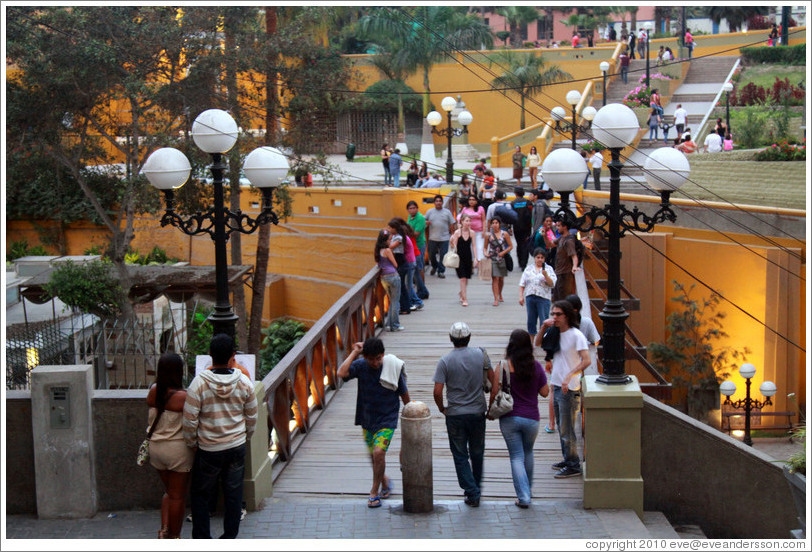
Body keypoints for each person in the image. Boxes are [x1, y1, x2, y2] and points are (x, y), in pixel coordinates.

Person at [184, 333, 257, 539]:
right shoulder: (243, 382)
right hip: (236, 446)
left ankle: (202, 538)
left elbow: (189, 420)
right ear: (233, 355)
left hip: (208, 448)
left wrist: (193, 442)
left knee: (200, 495)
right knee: (233, 495)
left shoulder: (199, 383)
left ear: (210, 355)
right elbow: (252, 416)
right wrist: (245, 437)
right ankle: (229, 537)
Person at [338, 337, 410, 508]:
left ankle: (373, 492)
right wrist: (355, 352)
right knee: (373, 456)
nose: (375, 363)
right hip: (367, 418)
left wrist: (411, 413)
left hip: (387, 418)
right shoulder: (361, 366)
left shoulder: (392, 366)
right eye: (371, 359)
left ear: (383, 355)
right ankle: (384, 481)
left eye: (378, 358)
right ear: (365, 358)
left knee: (378, 453)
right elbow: (341, 373)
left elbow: (403, 392)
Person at [433, 322, 493, 507]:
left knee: (460, 455)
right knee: (477, 452)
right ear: (469, 337)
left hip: (456, 414)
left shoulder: (445, 361)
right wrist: (491, 405)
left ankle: (472, 491)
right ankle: (475, 489)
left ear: (451, 339)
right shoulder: (480, 354)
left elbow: (437, 391)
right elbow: (494, 379)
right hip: (477, 412)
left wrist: (442, 408)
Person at [488, 329, 549, 508]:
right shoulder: (536, 366)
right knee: (528, 453)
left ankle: (523, 497)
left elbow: (493, 392)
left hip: (509, 417)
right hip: (532, 418)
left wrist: (490, 412)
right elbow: (545, 393)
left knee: (516, 456)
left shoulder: (504, 366)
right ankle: (527, 491)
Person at [146, 353, 194, 539]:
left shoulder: (153, 391)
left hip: (156, 448)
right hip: (177, 451)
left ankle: (164, 530)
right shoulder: (183, 397)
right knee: (177, 496)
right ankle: (174, 536)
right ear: (179, 371)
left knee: (169, 492)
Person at [547, 300, 590, 479]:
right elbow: (540, 343)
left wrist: (570, 374)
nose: (554, 317)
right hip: (557, 385)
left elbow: (586, 360)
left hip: (569, 388)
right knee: (561, 426)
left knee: (567, 428)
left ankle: (573, 464)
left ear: (567, 316)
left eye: (558, 314)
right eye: (553, 314)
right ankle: (567, 458)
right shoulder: (555, 332)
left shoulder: (576, 335)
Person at [518, 248, 556, 341]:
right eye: (537, 257)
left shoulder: (549, 269)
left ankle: (544, 340)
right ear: (534, 258)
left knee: (544, 320)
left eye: (542, 257)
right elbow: (522, 283)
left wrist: (546, 275)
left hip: (543, 298)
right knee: (531, 320)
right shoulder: (529, 268)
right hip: (530, 296)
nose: (539, 259)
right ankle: (531, 340)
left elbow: (552, 284)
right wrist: (521, 296)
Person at [564, 294, 601, 376]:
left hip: (579, 362)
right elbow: (596, 341)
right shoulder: (561, 322)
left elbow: (596, 342)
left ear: (575, 310)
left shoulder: (586, 322)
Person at [375, 229, 402, 331]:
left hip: (383, 278)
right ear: (385, 240)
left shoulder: (378, 251)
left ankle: (389, 324)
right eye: (389, 240)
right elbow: (395, 264)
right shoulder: (387, 250)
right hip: (393, 276)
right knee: (395, 301)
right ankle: (395, 325)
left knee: (391, 301)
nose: (390, 241)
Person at [483, 217, 513, 307]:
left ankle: (500, 293)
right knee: (495, 278)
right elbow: (485, 247)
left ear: (499, 224)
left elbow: (510, 246)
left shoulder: (505, 234)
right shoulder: (488, 235)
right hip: (492, 258)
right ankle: (496, 298)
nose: (495, 224)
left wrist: (503, 252)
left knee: (501, 278)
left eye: (496, 223)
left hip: (502, 258)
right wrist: (485, 253)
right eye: (493, 223)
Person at [425, 194, 456, 279]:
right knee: (431, 255)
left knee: (443, 255)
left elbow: (452, 223)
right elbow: (424, 221)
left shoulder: (447, 212)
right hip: (432, 238)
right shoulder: (429, 212)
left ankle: (441, 271)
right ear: (434, 203)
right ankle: (435, 266)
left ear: (442, 202)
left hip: (444, 238)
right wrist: (426, 223)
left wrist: (453, 235)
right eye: (436, 201)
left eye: (440, 201)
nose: (438, 203)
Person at [450, 214, 476, 307]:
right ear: (461, 221)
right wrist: (452, 241)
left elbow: (474, 245)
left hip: (468, 257)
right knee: (463, 278)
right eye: (466, 221)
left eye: (469, 221)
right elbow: (454, 246)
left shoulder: (472, 233)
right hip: (459, 257)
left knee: (467, 277)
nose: (468, 223)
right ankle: (465, 299)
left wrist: (476, 258)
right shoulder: (457, 233)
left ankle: (462, 292)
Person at [407, 201, 430, 301]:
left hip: (419, 245)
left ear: (417, 208)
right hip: (412, 246)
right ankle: (421, 289)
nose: (412, 210)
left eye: (414, 208)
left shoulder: (420, 218)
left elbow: (416, 233)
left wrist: (406, 233)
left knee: (419, 268)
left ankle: (422, 289)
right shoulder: (410, 217)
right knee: (415, 269)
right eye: (410, 208)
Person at [552, 218, 580, 301]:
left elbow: (573, 255)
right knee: (557, 297)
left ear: (565, 227)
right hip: (559, 272)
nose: (557, 228)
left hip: (565, 274)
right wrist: (545, 236)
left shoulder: (569, 241)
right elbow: (550, 244)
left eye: (559, 226)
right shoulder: (561, 238)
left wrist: (574, 266)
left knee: (563, 299)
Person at [458, 195, 486, 272]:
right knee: (470, 248)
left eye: (473, 199)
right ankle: (471, 266)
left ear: (476, 201)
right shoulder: (465, 209)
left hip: (479, 231)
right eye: (470, 199)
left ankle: (480, 265)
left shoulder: (481, 208)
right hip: (468, 232)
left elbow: (484, 220)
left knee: (479, 248)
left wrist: (484, 230)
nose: (471, 201)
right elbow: (461, 220)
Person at [511, 186, 533, 271]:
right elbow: (531, 214)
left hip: (517, 227)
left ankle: (520, 262)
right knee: (525, 244)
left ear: (515, 193)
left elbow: (511, 216)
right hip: (527, 227)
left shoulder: (513, 203)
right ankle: (524, 263)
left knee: (519, 244)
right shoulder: (528, 202)